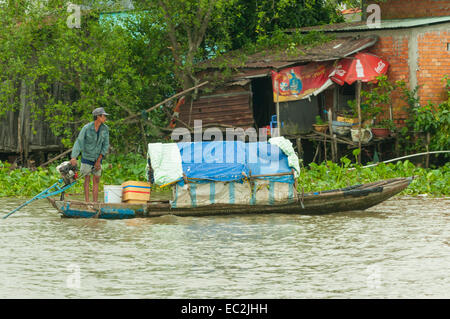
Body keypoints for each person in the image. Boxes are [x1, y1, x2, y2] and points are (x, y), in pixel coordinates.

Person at [70, 107, 110, 202]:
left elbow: (105, 145)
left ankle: (95, 203)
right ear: (98, 117)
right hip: (87, 157)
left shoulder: (105, 129)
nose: (105, 118)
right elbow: (79, 142)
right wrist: (74, 157)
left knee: (96, 180)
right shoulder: (87, 128)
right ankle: (87, 202)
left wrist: (99, 161)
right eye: (104, 116)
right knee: (87, 179)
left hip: (98, 158)